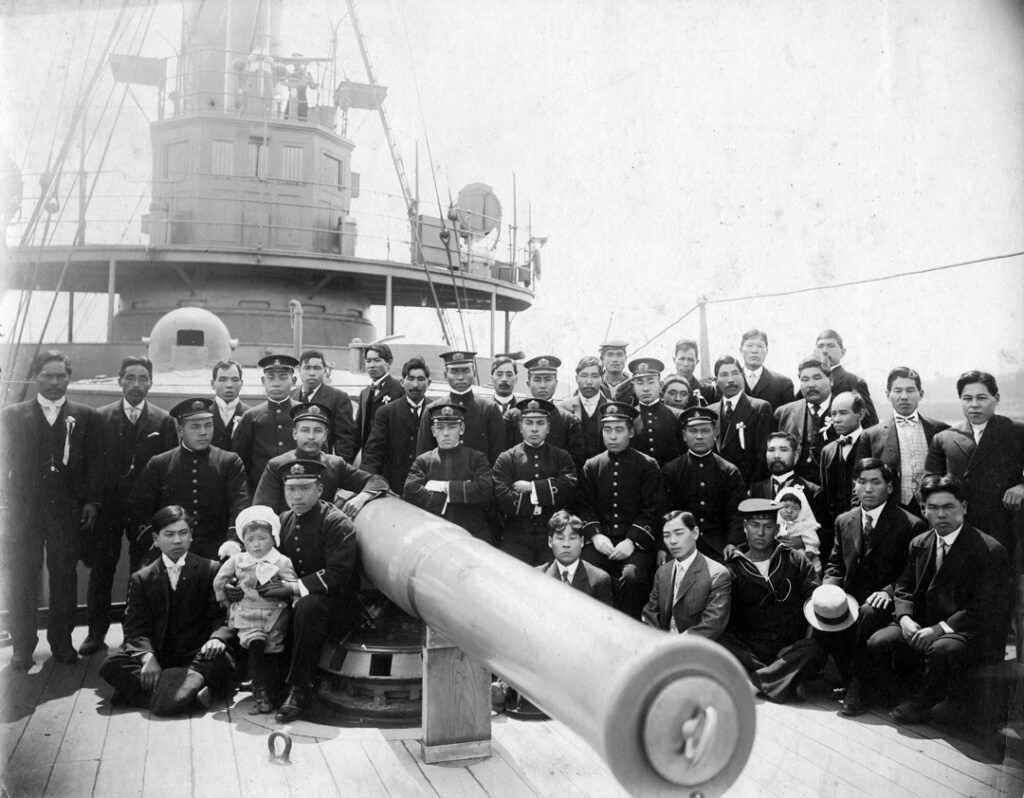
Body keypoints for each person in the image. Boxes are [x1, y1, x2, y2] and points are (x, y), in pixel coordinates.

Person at [866, 473, 1011, 725]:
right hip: (924, 621)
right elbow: (904, 587)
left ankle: (923, 703)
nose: (940, 515)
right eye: (932, 508)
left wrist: (939, 629)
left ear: (963, 508)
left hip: (970, 631)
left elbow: (983, 607)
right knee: (878, 641)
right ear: (923, 510)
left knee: (942, 648)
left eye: (948, 507)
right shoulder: (919, 543)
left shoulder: (989, 549)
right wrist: (905, 618)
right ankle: (900, 692)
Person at [238, 460, 360, 723]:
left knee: (308, 606)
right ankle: (261, 679)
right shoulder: (283, 521)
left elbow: (338, 574)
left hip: (338, 606)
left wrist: (292, 587)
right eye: (290, 489)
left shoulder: (336, 522)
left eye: (304, 488)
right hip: (295, 603)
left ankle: (300, 690)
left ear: (319, 489)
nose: (296, 496)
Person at [1, 350, 101, 669]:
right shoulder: (12, 415)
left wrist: (91, 502)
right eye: (48, 375)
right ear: (35, 378)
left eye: (61, 375)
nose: (55, 382)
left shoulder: (86, 416)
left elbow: (95, 467)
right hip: (25, 513)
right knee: (23, 578)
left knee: (63, 577)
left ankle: (61, 642)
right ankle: (23, 646)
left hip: (66, 513)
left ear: (69, 377)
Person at [81, 356, 178, 656]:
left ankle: (133, 635)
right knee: (102, 570)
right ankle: (96, 633)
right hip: (108, 509)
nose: (136, 385)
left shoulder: (163, 421)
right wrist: (93, 502)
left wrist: (159, 514)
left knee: (142, 572)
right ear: (119, 380)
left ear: (151, 382)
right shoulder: (100, 417)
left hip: (144, 513)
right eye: (130, 378)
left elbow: (168, 470)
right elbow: (92, 464)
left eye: (143, 379)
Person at [99, 506, 237, 714]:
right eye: (169, 534)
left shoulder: (210, 569)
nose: (177, 541)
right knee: (111, 663)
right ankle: (190, 696)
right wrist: (147, 657)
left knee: (222, 660)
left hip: (198, 655)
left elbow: (221, 616)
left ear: (191, 536)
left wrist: (216, 638)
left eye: (183, 533)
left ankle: (151, 694)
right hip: (161, 656)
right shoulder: (142, 578)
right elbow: (135, 627)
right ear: (156, 538)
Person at [819, 458, 926, 716]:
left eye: (875, 482)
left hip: (887, 602)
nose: (868, 488)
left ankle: (857, 687)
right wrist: (829, 589)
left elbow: (911, 575)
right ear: (854, 486)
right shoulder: (845, 520)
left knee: (867, 613)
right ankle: (852, 680)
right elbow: (835, 564)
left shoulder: (910, 524)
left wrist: (887, 591)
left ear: (889, 487)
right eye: (862, 482)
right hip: (852, 594)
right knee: (826, 609)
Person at [720, 499, 823, 703]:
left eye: (767, 527)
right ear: (745, 528)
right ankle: (784, 679)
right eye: (755, 526)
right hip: (751, 651)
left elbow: (815, 600)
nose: (761, 533)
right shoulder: (731, 568)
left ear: (777, 529)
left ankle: (758, 681)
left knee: (816, 647)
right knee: (720, 640)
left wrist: (801, 642)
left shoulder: (795, 559)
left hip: (789, 648)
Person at [127, 397, 250, 564]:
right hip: (171, 550)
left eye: (208, 425)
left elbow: (240, 504)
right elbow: (138, 507)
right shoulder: (160, 463)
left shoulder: (229, 461)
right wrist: (158, 541)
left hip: (217, 550)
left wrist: (232, 540)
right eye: (195, 427)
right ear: (180, 430)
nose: (203, 432)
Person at [925, 370, 1024, 562]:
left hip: (1007, 526)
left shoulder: (1017, 431)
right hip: (960, 527)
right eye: (967, 398)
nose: (974, 405)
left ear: (996, 398)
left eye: (982, 398)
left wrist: (1022, 486)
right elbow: (928, 482)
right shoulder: (944, 438)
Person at [578, 401, 665, 618]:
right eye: (607, 430)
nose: (613, 436)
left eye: (619, 430)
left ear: (631, 432)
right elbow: (584, 506)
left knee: (632, 577)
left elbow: (653, 509)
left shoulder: (647, 465)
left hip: (635, 544)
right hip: (602, 542)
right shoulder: (592, 465)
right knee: (585, 571)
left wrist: (632, 541)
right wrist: (596, 537)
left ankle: (630, 626)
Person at [213, 505, 296, 715]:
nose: (256, 544)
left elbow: (292, 583)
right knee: (256, 643)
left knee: (273, 649)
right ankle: (260, 691)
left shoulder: (281, 561)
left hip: (274, 614)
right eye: (250, 540)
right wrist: (224, 599)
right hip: (247, 612)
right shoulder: (238, 560)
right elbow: (220, 580)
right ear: (243, 541)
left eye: (262, 539)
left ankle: (270, 690)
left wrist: (293, 597)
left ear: (273, 537)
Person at [252, 402, 387, 515]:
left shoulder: (334, 464)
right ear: (295, 433)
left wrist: (363, 497)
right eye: (305, 430)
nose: (311, 436)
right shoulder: (277, 465)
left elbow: (376, 481)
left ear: (325, 435)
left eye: (317, 431)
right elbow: (261, 510)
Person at [493, 398, 578, 564]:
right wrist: (550, 490)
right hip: (516, 534)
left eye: (540, 423)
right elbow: (502, 497)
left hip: (553, 533)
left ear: (548, 428)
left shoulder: (561, 456)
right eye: (528, 423)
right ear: (520, 428)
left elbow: (570, 489)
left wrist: (532, 488)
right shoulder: (506, 458)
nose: (534, 429)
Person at [860, 366, 949, 517]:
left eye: (910, 390)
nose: (904, 396)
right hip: (889, 514)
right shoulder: (871, 435)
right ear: (888, 395)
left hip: (932, 513)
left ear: (920, 394)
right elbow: (860, 481)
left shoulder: (941, 431)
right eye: (898, 390)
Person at [662, 407, 746, 562]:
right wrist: (662, 547)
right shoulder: (671, 470)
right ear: (684, 435)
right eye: (693, 431)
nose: (699, 436)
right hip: (680, 544)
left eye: (705, 431)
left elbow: (736, 513)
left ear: (715, 434)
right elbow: (664, 512)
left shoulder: (729, 471)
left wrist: (732, 542)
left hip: (718, 545)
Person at [405, 402, 495, 542]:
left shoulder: (477, 458)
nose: (446, 433)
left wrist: (444, 487)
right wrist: (461, 492)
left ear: (462, 429)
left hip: (472, 533)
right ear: (433, 431)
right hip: (435, 533)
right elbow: (411, 491)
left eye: (452, 427)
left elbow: (485, 490)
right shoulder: (423, 461)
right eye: (440, 428)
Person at [642, 510, 732, 637]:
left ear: (695, 533)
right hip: (662, 648)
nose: (672, 541)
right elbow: (650, 614)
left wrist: (675, 644)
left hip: (697, 650)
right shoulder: (663, 572)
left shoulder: (717, 574)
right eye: (666, 535)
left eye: (679, 533)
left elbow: (712, 625)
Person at [415, 350, 506, 464]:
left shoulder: (488, 408)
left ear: (474, 372)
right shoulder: (432, 410)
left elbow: (498, 457)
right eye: (454, 371)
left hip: (480, 479)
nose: (460, 377)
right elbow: (423, 457)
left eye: (465, 370)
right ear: (445, 375)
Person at [361, 356, 431, 493]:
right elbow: (373, 453)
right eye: (410, 379)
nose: (415, 385)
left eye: (421, 379)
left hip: (426, 489)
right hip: (394, 488)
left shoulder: (435, 411)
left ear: (429, 382)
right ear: (402, 382)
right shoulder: (387, 412)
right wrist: (367, 486)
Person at [504, 355, 585, 470]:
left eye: (548, 379)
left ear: (556, 383)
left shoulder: (568, 420)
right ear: (528, 383)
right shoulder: (512, 417)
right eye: (537, 380)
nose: (543, 385)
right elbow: (504, 460)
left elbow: (575, 464)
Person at [233, 354, 299, 491]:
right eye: (270, 377)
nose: (276, 383)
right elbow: (241, 461)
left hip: (298, 487)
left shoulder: (303, 413)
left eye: (283, 377)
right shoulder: (251, 416)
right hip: (262, 490)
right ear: (263, 380)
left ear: (293, 380)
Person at [818, 391, 868, 560]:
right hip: (835, 530)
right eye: (833, 414)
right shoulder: (828, 450)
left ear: (860, 414)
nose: (837, 419)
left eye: (843, 413)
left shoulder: (872, 443)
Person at [709, 354, 773, 486]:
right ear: (716, 380)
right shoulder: (710, 411)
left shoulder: (759, 408)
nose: (731, 379)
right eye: (724, 375)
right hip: (717, 487)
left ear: (742, 375)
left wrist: (753, 488)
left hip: (747, 485)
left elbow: (762, 456)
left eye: (735, 373)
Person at [774, 354, 837, 483]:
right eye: (805, 379)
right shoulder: (783, 413)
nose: (811, 385)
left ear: (830, 380)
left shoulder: (846, 410)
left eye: (817, 378)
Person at [536, 510, 612, 605]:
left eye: (572, 538)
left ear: (582, 542)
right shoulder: (537, 576)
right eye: (560, 538)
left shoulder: (599, 579)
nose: (566, 544)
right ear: (550, 542)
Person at [293, 349, 356, 462]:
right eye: (307, 368)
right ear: (299, 370)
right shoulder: (291, 396)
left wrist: (339, 469)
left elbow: (345, 441)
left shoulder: (338, 398)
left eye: (317, 368)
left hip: (323, 465)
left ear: (325, 370)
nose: (312, 373)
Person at [748, 432, 826, 521]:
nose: (776, 456)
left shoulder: (813, 492)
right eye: (771, 450)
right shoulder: (755, 491)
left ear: (795, 455)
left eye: (784, 450)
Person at [814, 329, 878, 427]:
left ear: (843, 352)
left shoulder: (854, 382)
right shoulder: (807, 384)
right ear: (814, 352)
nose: (825, 351)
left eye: (831, 346)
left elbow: (871, 423)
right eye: (820, 346)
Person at [628, 357, 685, 467]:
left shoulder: (677, 416)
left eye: (651, 382)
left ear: (660, 385)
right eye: (639, 383)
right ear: (633, 386)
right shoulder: (628, 417)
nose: (645, 388)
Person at [355, 343, 405, 455]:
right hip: (369, 458)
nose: (371, 365)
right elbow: (358, 432)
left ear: (389, 362)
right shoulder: (365, 393)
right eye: (368, 361)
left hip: (392, 458)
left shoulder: (400, 389)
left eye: (377, 360)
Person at [559, 356, 606, 460]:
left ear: (602, 379)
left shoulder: (612, 408)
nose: (589, 381)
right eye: (584, 376)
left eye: (594, 376)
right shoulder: (562, 410)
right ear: (576, 379)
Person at [739, 329, 795, 411]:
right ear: (741, 350)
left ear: (767, 351)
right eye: (750, 345)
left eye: (760, 346)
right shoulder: (728, 381)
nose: (754, 350)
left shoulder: (783, 383)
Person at [776, 487, 822, 576]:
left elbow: (814, 542)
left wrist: (808, 552)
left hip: (805, 562)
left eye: (795, 508)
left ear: (801, 510)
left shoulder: (804, 526)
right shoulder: (777, 525)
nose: (789, 511)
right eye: (785, 507)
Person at [210, 359, 248, 451]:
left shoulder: (250, 415)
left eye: (235, 380)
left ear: (241, 384)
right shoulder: (203, 413)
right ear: (213, 384)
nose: (229, 385)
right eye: (223, 379)